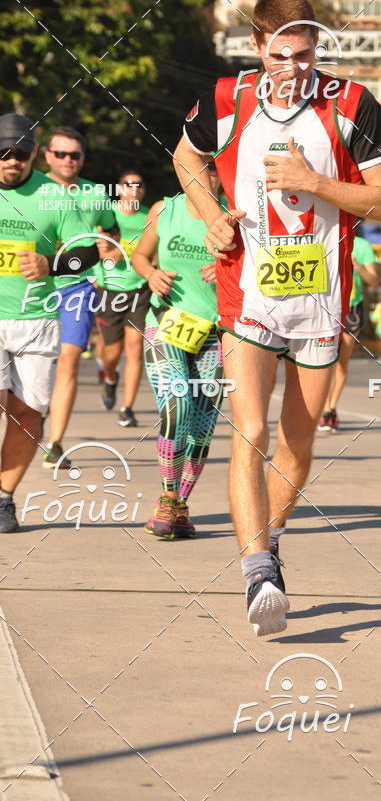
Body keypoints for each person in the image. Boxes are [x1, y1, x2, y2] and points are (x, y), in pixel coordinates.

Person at [173, 0, 381, 636]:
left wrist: (315, 182)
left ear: (317, 47)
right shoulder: (227, 99)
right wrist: (212, 215)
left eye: (303, 54)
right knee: (250, 431)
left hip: (321, 297)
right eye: (279, 55)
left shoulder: (352, 106)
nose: (292, 67)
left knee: (298, 444)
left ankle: (268, 537)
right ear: (257, 46)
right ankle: (257, 572)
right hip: (248, 291)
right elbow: (186, 157)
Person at [0, 113, 108, 531]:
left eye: (20, 154)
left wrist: (52, 263)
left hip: (37, 319)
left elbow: (90, 252)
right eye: (4, 153)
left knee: (28, 413)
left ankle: (4, 498)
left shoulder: (54, 196)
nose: (12, 161)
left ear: (32, 155)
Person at [132, 175, 222, 539]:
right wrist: (151, 273)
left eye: (214, 168)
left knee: (202, 426)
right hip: (165, 322)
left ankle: (180, 504)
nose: (206, 177)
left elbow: (256, 271)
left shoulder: (236, 217)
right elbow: (139, 254)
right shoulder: (163, 210)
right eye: (199, 167)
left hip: (216, 332)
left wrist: (229, 271)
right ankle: (168, 496)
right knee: (178, 404)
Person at [41, 126, 120, 469]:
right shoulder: (32, 189)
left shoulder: (95, 194)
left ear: (82, 158)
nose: (68, 160)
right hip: (34, 288)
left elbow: (112, 230)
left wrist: (109, 254)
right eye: (60, 153)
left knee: (69, 359)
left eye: (74, 154)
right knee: (35, 363)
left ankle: (55, 442)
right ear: (47, 156)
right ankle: (31, 417)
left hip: (78, 286)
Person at [95, 171, 151, 427]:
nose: (134, 190)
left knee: (134, 349)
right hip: (110, 289)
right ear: (118, 189)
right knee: (112, 353)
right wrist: (97, 276)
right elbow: (94, 248)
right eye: (129, 185)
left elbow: (158, 249)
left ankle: (127, 407)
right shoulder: (108, 214)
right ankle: (109, 378)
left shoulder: (150, 216)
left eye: (139, 185)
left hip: (139, 288)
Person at [318, 232, 379, 431]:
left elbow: (374, 281)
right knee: (325, 360)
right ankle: (322, 407)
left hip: (351, 308)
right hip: (326, 305)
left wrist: (358, 266)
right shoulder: (324, 236)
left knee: (341, 361)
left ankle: (330, 409)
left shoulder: (361, 245)